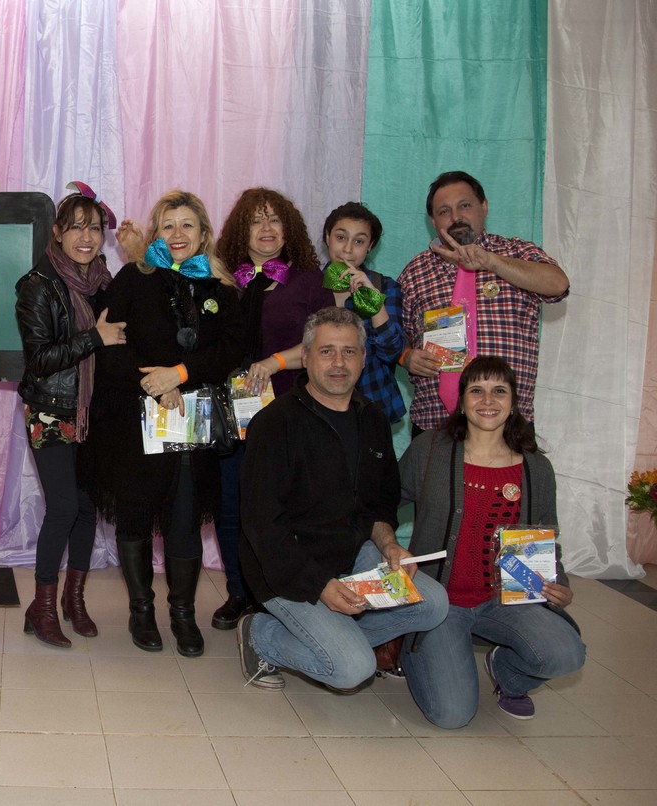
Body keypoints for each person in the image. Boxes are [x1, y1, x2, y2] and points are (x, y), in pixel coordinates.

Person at [237, 307, 448, 691]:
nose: (339, 363)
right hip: (285, 567)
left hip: (351, 552)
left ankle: (336, 636)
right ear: (305, 357)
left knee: (434, 604)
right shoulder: (274, 424)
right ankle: (261, 635)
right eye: (327, 351)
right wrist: (319, 585)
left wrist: (389, 545)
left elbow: (381, 503)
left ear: (363, 358)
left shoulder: (373, 418)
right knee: (352, 670)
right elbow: (263, 526)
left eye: (349, 352)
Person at [82, 190, 244, 658]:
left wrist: (181, 374)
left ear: (204, 233)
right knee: (134, 515)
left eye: (187, 224)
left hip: (192, 422)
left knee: (184, 518)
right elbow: (109, 344)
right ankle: (141, 610)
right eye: (168, 225)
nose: (177, 233)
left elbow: (231, 350)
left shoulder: (220, 288)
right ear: (156, 234)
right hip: (131, 418)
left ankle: (182, 615)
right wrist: (154, 383)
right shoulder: (134, 277)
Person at [398, 356, 585, 726]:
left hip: (505, 601)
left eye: (499, 390)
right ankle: (418, 647)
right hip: (440, 604)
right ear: (462, 401)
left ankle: (507, 672)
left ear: (513, 402)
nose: (488, 400)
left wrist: (559, 585)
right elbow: (381, 503)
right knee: (452, 715)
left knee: (566, 653)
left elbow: (547, 540)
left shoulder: (536, 468)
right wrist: (386, 546)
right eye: (476, 390)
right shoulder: (430, 450)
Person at [207, 188, 331, 633]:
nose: (265, 228)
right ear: (241, 230)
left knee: (280, 510)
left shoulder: (310, 281)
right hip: (230, 415)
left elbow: (324, 343)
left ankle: (277, 595)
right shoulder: (222, 280)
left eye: (274, 219)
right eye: (256, 220)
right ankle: (238, 591)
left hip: (289, 414)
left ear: (288, 228)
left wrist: (275, 361)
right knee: (230, 506)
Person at [15, 183, 125, 648]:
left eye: (95, 229)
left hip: (94, 412)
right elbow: (40, 358)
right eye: (76, 228)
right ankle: (41, 607)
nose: (86, 237)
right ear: (57, 232)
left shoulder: (104, 284)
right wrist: (94, 338)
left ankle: (73, 601)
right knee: (63, 506)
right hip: (51, 409)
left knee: (86, 506)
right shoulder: (36, 285)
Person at [398, 171, 570, 434]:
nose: (456, 217)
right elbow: (394, 335)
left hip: (508, 425)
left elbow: (558, 285)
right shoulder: (415, 272)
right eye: (444, 211)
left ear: (484, 206)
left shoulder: (516, 252)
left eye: (464, 206)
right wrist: (406, 357)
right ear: (432, 220)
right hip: (435, 424)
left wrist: (490, 261)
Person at [320, 202, 406, 424]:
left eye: (359, 241)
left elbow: (392, 352)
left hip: (372, 406)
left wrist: (373, 301)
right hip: (317, 408)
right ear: (328, 237)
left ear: (371, 245)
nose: (348, 249)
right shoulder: (308, 285)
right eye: (341, 237)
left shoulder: (384, 287)